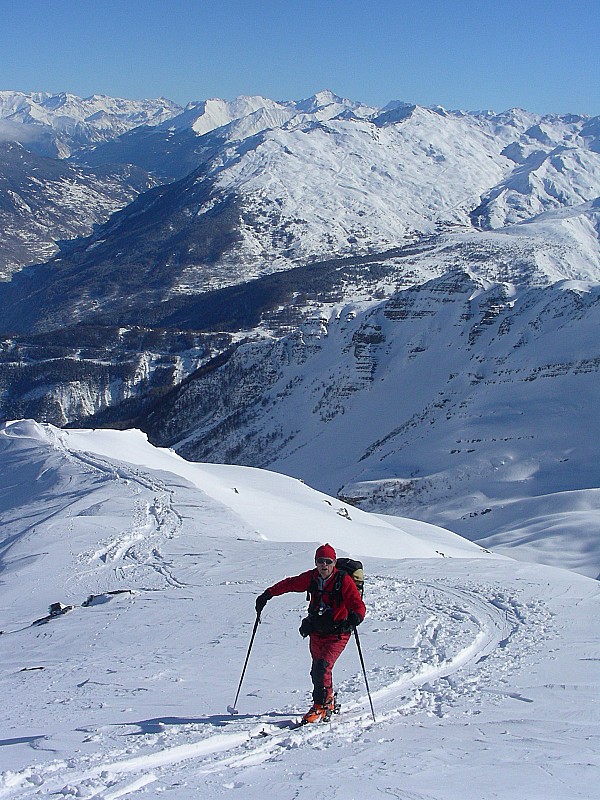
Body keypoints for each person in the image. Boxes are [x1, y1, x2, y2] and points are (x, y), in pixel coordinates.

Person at [255, 543, 366, 723]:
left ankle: (320, 706)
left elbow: (357, 604)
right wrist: (268, 594)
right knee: (318, 669)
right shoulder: (312, 577)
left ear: (334, 563)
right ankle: (328, 700)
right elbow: (290, 584)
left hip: (338, 633)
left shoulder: (343, 580)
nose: (323, 565)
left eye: (328, 561)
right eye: (320, 561)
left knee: (321, 667)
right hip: (317, 630)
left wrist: (357, 616)